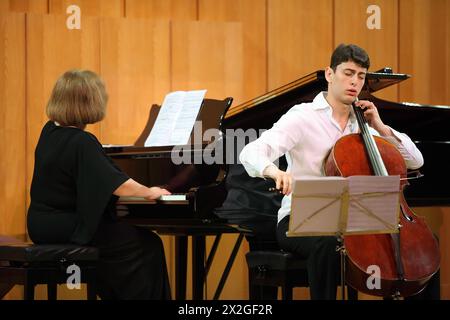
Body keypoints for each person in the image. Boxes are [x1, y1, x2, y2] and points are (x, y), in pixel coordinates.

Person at [239, 44, 428, 300]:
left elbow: (415, 161)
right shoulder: (303, 117)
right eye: (348, 73)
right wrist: (274, 172)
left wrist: (381, 127)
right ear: (330, 74)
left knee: (420, 246)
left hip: (353, 224)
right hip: (299, 222)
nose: (354, 82)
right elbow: (251, 152)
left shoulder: (363, 125)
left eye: (360, 77)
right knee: (328, 243)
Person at [27, 70, 172, 300]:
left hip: (41, 225)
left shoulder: (50, 132)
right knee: (147, 245)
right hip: (66, 226)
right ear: (88, 101)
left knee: (119, 241)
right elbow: (119, 184)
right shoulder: (81, 141)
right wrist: (149, 191)